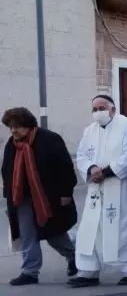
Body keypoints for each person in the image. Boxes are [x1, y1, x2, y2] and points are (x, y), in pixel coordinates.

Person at [70, 95, 127, 288]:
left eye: (101, 108)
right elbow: (82, 155)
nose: (97, 112)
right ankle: (88, 270)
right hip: (97, 187)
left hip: (123, 185)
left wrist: (106, 171)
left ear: (112, 109)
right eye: (94, 109)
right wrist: (91, 169)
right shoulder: (89, 131)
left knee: (126, 227)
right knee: (91, 227)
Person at [2, 107, 78, 286]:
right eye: (11, 127)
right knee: (27, 234)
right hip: (23, 198)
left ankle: (73, 256)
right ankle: (30, 272)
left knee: (54, 233)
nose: (14, 131)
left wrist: (66, 193)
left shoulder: (49, 139)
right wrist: (9, 196)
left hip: (48, 196)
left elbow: (65, 168)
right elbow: (6, 170)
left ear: (28, 125)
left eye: (18, 126)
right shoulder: (12, 144)